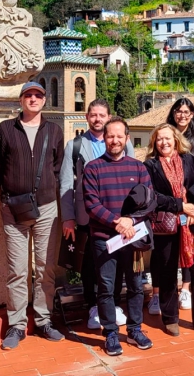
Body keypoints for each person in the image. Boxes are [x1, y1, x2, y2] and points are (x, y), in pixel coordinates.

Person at [0, 81, 65, 349]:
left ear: (44, 100)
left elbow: (58, 170)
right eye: (28, 95)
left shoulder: (54, 131)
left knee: (45, 268)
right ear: (20, 100)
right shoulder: (5, 130)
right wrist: (5, 198)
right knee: (17, 270)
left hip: (46, 208)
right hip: (13, 209)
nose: (33, 99)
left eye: (38, 95)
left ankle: (44, 320)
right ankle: (17, 325)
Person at [84, 117, 154, 355]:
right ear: (104, 137)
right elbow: (91, 205)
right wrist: (117, 223)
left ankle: (135, 329)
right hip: (104, 239)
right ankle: (111, 332)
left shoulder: (138, 167)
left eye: (119, 136)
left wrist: (131, 222)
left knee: (135, 285)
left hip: (132, 239)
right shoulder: (92, 168)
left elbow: (149, 202)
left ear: (126, 138)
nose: (114, 140)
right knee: (105, 287)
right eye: (110, 136)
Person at [144, 124, 194, 336]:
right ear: (154, 143)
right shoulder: (150, 165)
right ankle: (170, 318)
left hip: (192, 224)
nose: (164, 143)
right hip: (166, 226)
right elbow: (152, 196)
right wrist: (179, 205)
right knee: (167, 272)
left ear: (176, 140)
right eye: (159, 139)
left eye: (168, 138)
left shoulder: (189, 160)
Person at [61, 99, 134, 310]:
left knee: (119, 260)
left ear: (109, 117)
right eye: (93, 115)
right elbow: (66, 183)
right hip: (86, 215)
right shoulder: (75, 145)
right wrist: (68, 217)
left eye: (102, 115)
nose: (97, 119)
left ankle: (114, 304)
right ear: (87, 117)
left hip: (118, 215)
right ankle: (93, 306)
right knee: (89, 263)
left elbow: (133, 176)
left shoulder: (123, 143)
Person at [165, 97, 194, 310]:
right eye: (179, 111)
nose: (182, 115)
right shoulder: (165, 135)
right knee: (170, 245)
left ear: (192, 115)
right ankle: (167, 289)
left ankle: (186, 288)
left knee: (190, 244)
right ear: (173, 113)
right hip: (170, 203)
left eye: (186, 112)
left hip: (189, 203)